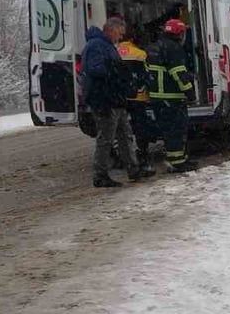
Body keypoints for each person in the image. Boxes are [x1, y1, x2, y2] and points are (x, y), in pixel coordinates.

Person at [84, 19, 144, 187]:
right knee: (107, 139)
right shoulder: (97, 46)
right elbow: (95, 70)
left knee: (125, 135)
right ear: (111, 30)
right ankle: (100, 175)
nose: (121, 35)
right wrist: (116, 70)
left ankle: (134, 169)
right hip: (104, 100)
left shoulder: (106, 45)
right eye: (120, 32)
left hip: (115, 99)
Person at [147, 18, 198, 173]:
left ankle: (178, 159)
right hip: (171, 96)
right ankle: (177, 162)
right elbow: (179, 74)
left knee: (169, 130)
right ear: (179, 33)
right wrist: (190, 93)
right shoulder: (174, 48)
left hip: (158, 97)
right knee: (176, 130)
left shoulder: (154, 46)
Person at [114, 22, 156, 174]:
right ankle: (143, 155)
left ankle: (121, 157)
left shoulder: (113, 52)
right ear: (132, 38)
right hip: (138, 98)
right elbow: (147, 76)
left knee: (121, 129)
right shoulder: (140, 54)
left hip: (120, 98)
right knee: (140, 128)